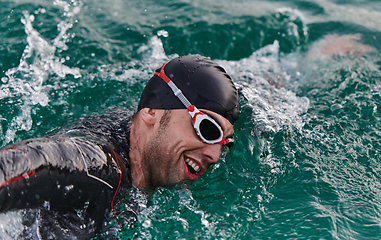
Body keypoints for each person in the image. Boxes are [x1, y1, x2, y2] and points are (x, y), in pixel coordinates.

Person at [0, 55, 240, 239]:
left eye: (224, 143)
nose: (214, 155)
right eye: (208, 130)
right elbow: (37, 163)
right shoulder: (99, 167)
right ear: (151, 112)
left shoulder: (136, 138)